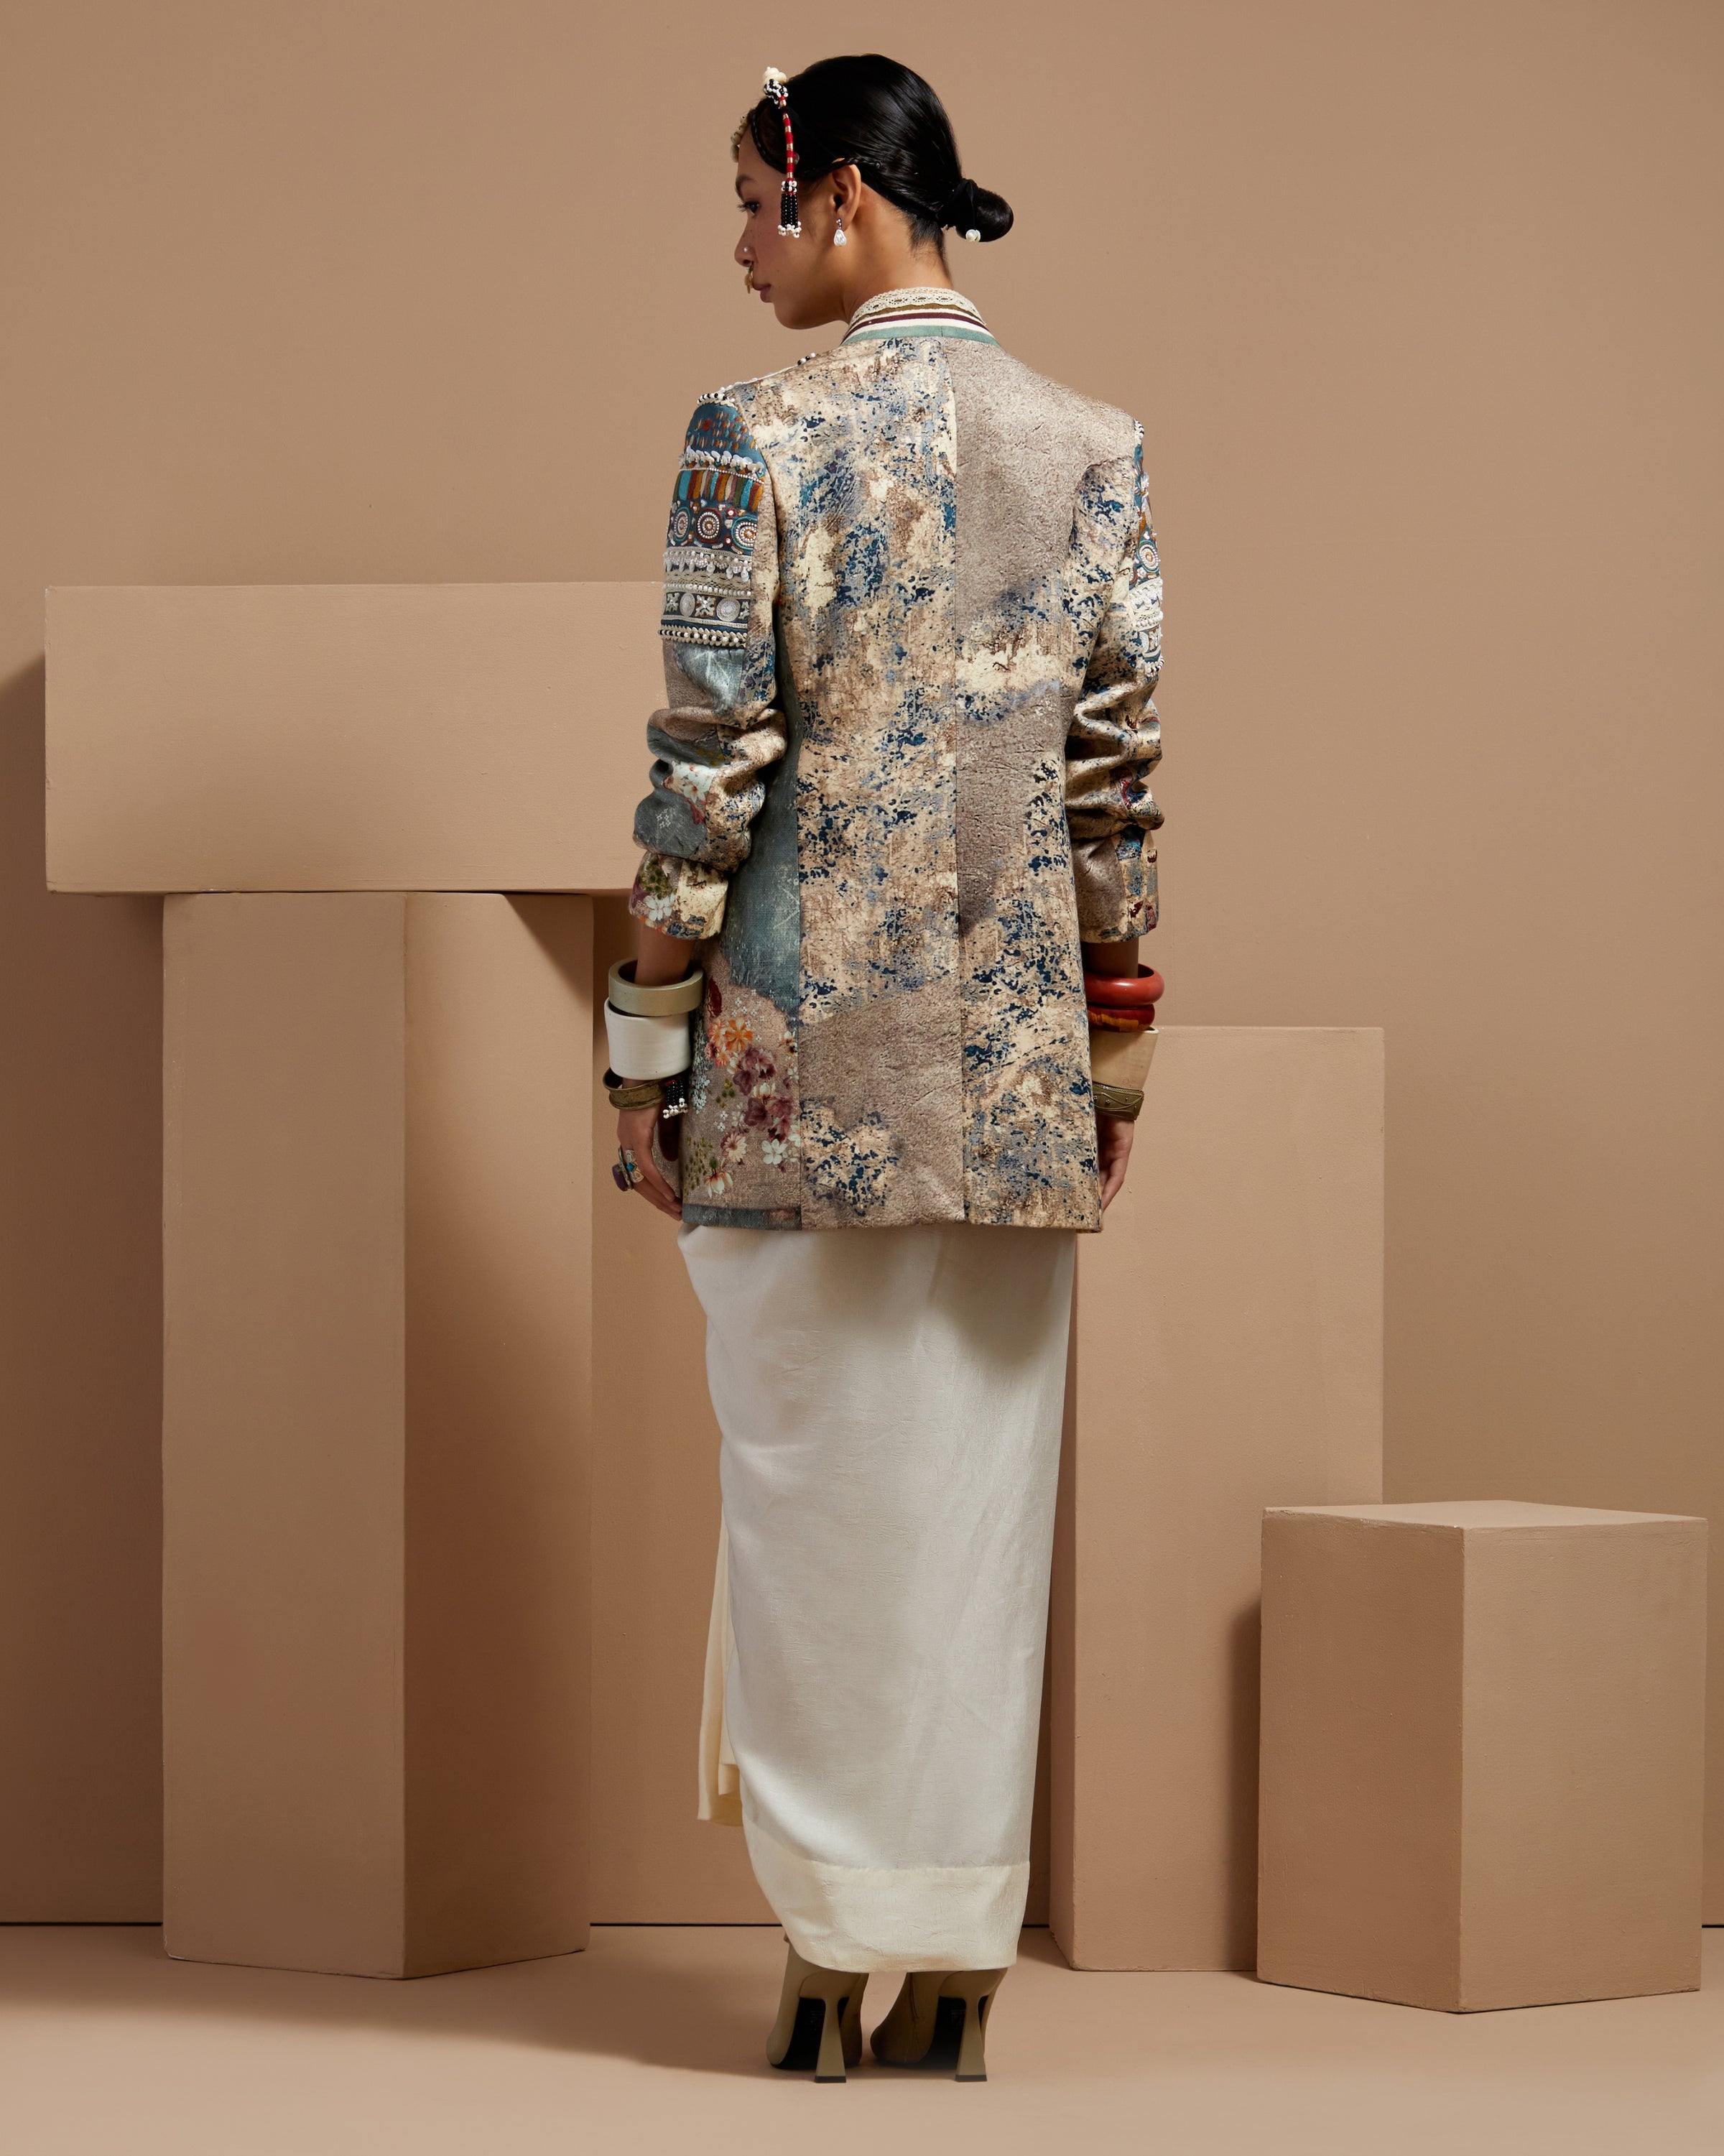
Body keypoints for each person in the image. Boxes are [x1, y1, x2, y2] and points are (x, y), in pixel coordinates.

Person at [603, 53, 1164, 2083]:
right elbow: (1115, 791)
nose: (743, 252)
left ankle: (830, 1952)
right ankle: (957, 1964)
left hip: (791, 1089)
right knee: (973, 1529)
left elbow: (705, 776)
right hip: (1016, 1094)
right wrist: (1110, 1071)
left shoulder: (749, 435)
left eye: (759, 208)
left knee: (816, 1516)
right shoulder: (1094, 446)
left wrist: (638, 1047)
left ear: (840, 192)